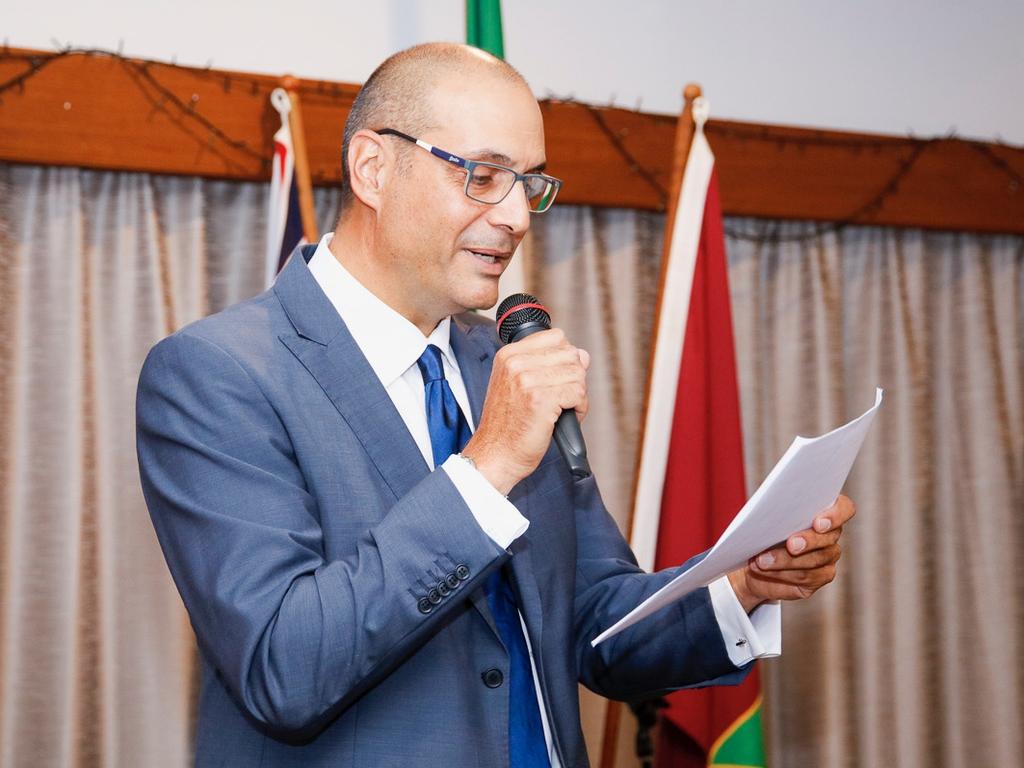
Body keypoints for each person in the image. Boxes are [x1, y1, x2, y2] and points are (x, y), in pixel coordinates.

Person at [136, 43, 854, 768]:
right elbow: (282, 669)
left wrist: (738, 586)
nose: (516, 216)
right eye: (483, 176)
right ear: (373, 169)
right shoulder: (218, 373)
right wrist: (488, 468)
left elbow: (590, 624)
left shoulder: (498, 363)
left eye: (529, 183)